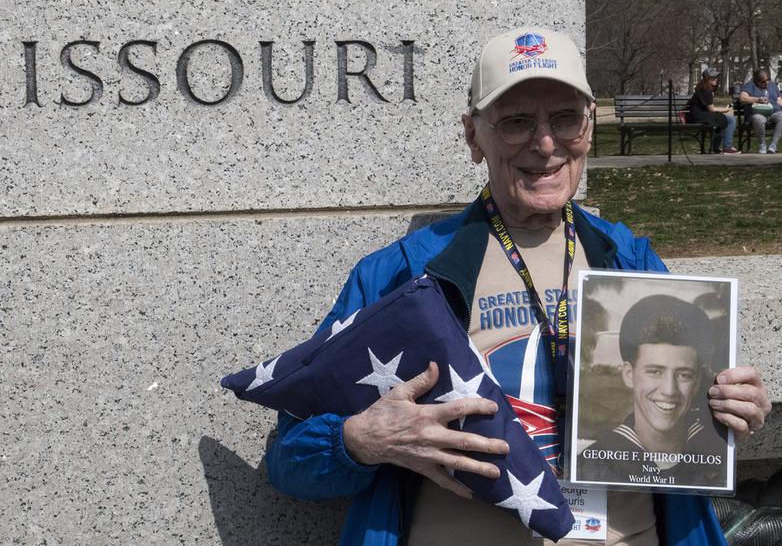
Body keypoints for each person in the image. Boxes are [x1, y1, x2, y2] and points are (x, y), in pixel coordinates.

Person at [265, 27, 771, 546]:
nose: (546, 143)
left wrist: (730, 408)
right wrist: (360, 439)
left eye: (565, 118)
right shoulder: (401, 274)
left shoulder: (632, 262)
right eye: (516, 123)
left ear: (590, 128)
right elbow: (289, 457)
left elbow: (689, 425)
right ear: (472, 136)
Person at [578, 296, 727, 487]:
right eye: (654, 372)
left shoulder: (718, 451)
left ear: (697, 381)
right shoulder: (592, 463)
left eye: (684, 374)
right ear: (629, 375)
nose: (669, 390)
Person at [687, 68, 741, 154]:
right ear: (707, 79)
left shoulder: (704, 89)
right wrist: (725, 109)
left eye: (716, 77)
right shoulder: (706, 91)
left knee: (722, 119)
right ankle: (727, 147)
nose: (716, 79)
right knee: (731, 119)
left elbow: (709, 108)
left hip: (698, 115)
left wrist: (722, 111)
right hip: (699, 117)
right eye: (713, 78)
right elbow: (711, 109)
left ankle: (716, 147)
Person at [738, 68, 782, 153]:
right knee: (758, 119)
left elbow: (779, 100)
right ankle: (762, 144)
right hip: (758, 113)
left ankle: (773, 145)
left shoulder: (772, 85)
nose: (766, 83)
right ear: (756, 81)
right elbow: (742, 98)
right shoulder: (750, 86)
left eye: (768, 80)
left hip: (773, 112)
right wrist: (758, 99)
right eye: (763, 81)